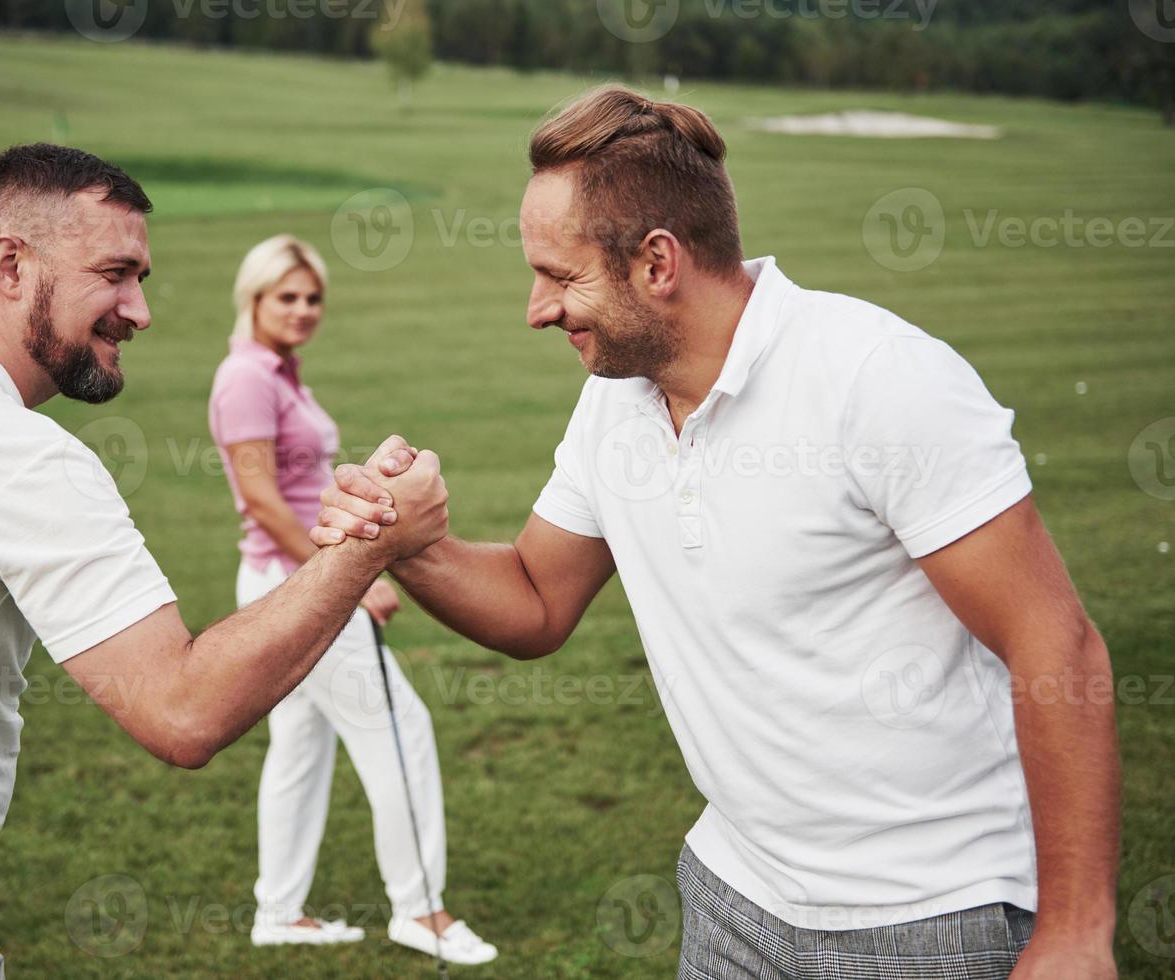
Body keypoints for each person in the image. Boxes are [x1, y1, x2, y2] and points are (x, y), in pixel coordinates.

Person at [312, 87, 1119, 979]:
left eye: (559, 275)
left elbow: (1056, 644)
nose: (536, 309)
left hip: (927, 914)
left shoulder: (876, 379)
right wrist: (407, 541)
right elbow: (535, 604)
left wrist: (1076, 933)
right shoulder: (613, 401)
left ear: (657, 262)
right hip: (733, 898)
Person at [0, 144, 445, 979]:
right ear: (12, 265)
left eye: (143, 279)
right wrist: (366, 551)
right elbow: (183, 713)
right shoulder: (22, 457)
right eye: (115, 274)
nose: (139, 311)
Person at [207, 235, 497, 965]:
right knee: (400, 728)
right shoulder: (246, 377)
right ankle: (420, 911)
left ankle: (278, 910)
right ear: (254, 297)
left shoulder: (279, 374)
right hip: (297, 581)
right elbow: (263, 503)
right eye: (287, 297)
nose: (303, 310)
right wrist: (352, 578)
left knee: (300, 746)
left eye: (312, 298)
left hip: (287, 579)